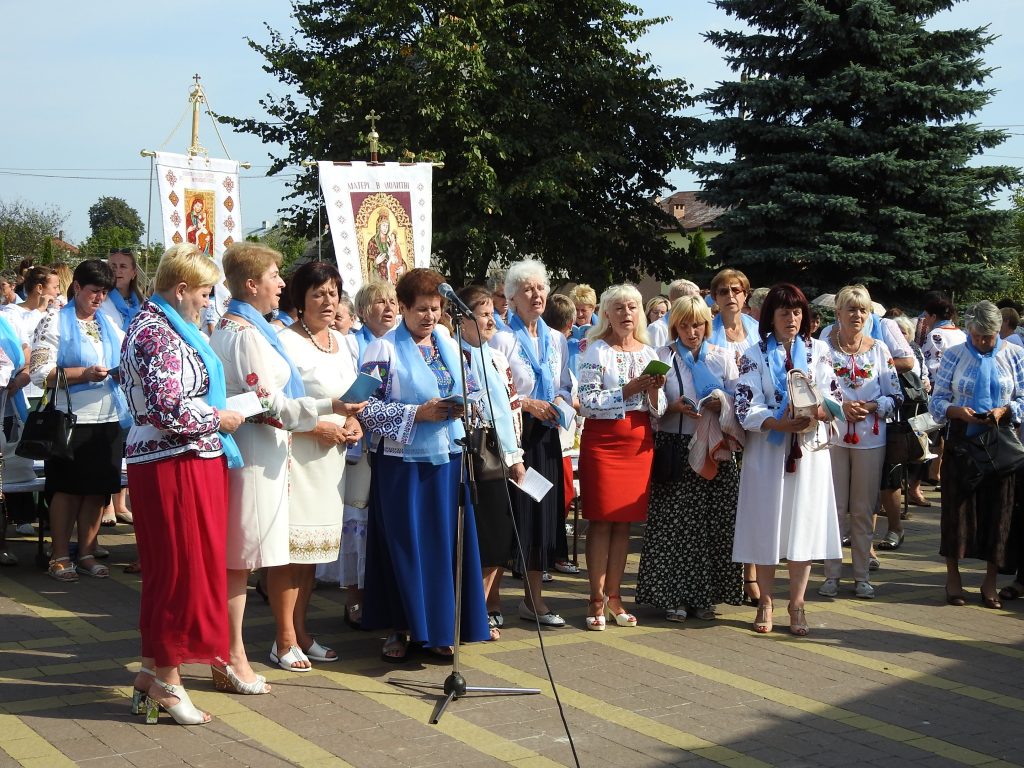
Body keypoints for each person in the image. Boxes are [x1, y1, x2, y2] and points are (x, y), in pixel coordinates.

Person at [121, 244, 253, 725]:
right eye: (203, 292)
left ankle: (152, 671)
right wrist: (220, 416)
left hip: (184, 459)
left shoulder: (164, 325)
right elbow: (167, 406)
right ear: (180, 290)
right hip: (171, 462)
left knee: (180, 570)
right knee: (178, 572)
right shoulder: (154, 331)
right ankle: (168, 681)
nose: (207, 301)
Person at [210, 242, 355, 675]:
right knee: (259, 556)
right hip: (271, 453)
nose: (280, 283)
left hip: (296, 450)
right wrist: (328, 410)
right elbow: (270, 403)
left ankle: (287, 637)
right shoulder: (251, 333)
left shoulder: (251, 329)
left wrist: (347, 417)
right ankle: (255, 648)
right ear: (253, 284)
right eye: (275, 276)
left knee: (289, 554)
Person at [358, 268, 490, 661]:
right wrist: (417, 414)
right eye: (420, 310)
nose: (429, 317)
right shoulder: (382, 350)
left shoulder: (448, 346)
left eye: (435, 309)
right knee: (404, 545)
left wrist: (465, 407)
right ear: (402, 308)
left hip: (447, 460)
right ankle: (400, 628)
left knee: (442, 546)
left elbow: (474, 390)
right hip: (401, 466)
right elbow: (363, 408)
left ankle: (440, 628)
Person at [732, 283, 842, 636]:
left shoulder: (820, 351)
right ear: (771, 317)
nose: (791, 319)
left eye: (797, 312)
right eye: (784, 313)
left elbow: (834, 396)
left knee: (803, 523)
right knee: (767, 522)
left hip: (807, 450)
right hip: (769, 449)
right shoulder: (754, 353)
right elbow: (745, 403)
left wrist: (818, 412)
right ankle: (766, 599)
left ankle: (797, 602)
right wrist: (779, 421)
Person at [637, 296, 744, 622]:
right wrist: (671, 406)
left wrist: (720, 403)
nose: (691, 331)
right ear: (675, 327)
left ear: (706, 326)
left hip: (715, 449)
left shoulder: (722, 358)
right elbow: (651, 409)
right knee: (677, 529)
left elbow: (739, 401)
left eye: (697, 324)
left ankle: (704, 597)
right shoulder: (661, 358)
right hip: (675, 447)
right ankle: (674, 598)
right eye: (684, 325)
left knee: (711, 527)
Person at [279, 261, 364, 662]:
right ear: (300, 300)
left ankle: (302, 630)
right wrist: (317, 429)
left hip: (332, 459)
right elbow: (277, 408)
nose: (328, 301)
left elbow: (350, 395)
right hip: (298, 457)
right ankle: (283, 639)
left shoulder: (342, 340)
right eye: (318, 293)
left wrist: (352, 420)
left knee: (312, 553)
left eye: (333, 292)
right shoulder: (286, 342)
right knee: (290, 551)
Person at [29, 259, 130, 582]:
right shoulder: (55, 321)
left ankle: (86, 552)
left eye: (105, 293)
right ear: (76, 288)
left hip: (109, 419)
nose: (100, 298)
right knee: (68, 490)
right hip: (71, 420)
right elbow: (40, 373)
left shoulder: (108, 324)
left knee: (97, 491)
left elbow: (128, 355)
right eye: (94, 291)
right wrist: (81, 374)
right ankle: (60, 555)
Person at [490, 259, 574, 626]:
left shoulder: (557, 339)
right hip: (513, 435)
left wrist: (559, 402)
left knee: (541, 514)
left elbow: (567, 386)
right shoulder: (501, 338)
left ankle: (534, 601)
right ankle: (490, 603)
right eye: (527, 289)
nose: (537, 295)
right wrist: (527, 403)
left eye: (541, 288)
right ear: (511, 298)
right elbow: (494, 391)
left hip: (546, 436)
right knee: (507, 516)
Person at [578, 284, 665, 629]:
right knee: (600, 520)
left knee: (624, 522)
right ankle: (595, 599)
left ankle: (615, 597)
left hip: (638, 441)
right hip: (603, 441)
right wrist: (626, 390)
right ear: (607, 315)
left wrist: (654, 392)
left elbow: (657, 409)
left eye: (632, 307)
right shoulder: (596, 351)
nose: (626, 313)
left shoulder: (648, 352)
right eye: (619, 308)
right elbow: (586, 402)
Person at [314, 280, 400, 626]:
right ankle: (354, 597)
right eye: (380, 302)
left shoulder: (402, 344)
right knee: (358, 522)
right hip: (358, 443)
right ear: (364, 311)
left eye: (393, 301)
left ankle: (383, 595)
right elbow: (346, 390)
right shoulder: (352, 343)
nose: (390, 308)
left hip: (394, 444)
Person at [929, 301, 1024, 609]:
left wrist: (1006, 410)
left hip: (1000, 444)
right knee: (957, 512)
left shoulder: (1014, 354)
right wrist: (957, 411)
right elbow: (937, 400)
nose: (985, 342)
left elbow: (1022, 397)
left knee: (999, 514)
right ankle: (953, 578)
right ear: (969, 329)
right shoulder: (955, 355)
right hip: (962, 443)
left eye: (991, 336)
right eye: (980, 335)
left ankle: (990, 582)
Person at [818, 285, 902, 600]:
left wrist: (867, 407)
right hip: (835, 437)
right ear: (837, 313)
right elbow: (815, 389)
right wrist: (841, 408)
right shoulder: (823, 348)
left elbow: (895, 395)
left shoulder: (879, 349)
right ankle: (831, 575)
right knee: (835, 507)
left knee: (864, 509)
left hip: (870, 438)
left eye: (862, 310)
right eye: (851, 309)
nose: (857, 315)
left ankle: (862, 575)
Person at [456, 284, 527, 640]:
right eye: (484, 314)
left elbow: (510, 408)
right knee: (474, 540)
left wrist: (516, 457)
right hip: (471, 459)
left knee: (497, 541)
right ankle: (468, 615)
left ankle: (480, 610)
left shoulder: (496, 357)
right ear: (462, 320)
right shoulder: (455, 356)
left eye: (493, 313)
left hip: (501, 458)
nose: (492, 320)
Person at [706, 268, 762, 604]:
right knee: (721, 505)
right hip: (718, 422)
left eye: (737, 290)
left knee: (751, 500)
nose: (731, 296)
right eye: (724, 291)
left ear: (746, 295)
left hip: (753, 424)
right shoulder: (709, 330)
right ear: (714, 297)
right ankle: (717, 576)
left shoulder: (757, 330)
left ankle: (751, 576)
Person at [101, 248, 145, 331]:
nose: (117, 271)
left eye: (123, 266)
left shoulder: (143, 304)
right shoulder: (100, 301)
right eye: (113, 266)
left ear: (134, 273)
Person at [648, 279, 701, 348]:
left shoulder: (698, 326)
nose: (699, 305)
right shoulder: (658, 328)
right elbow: (655, 357)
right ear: (675, 303)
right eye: (693, 301)